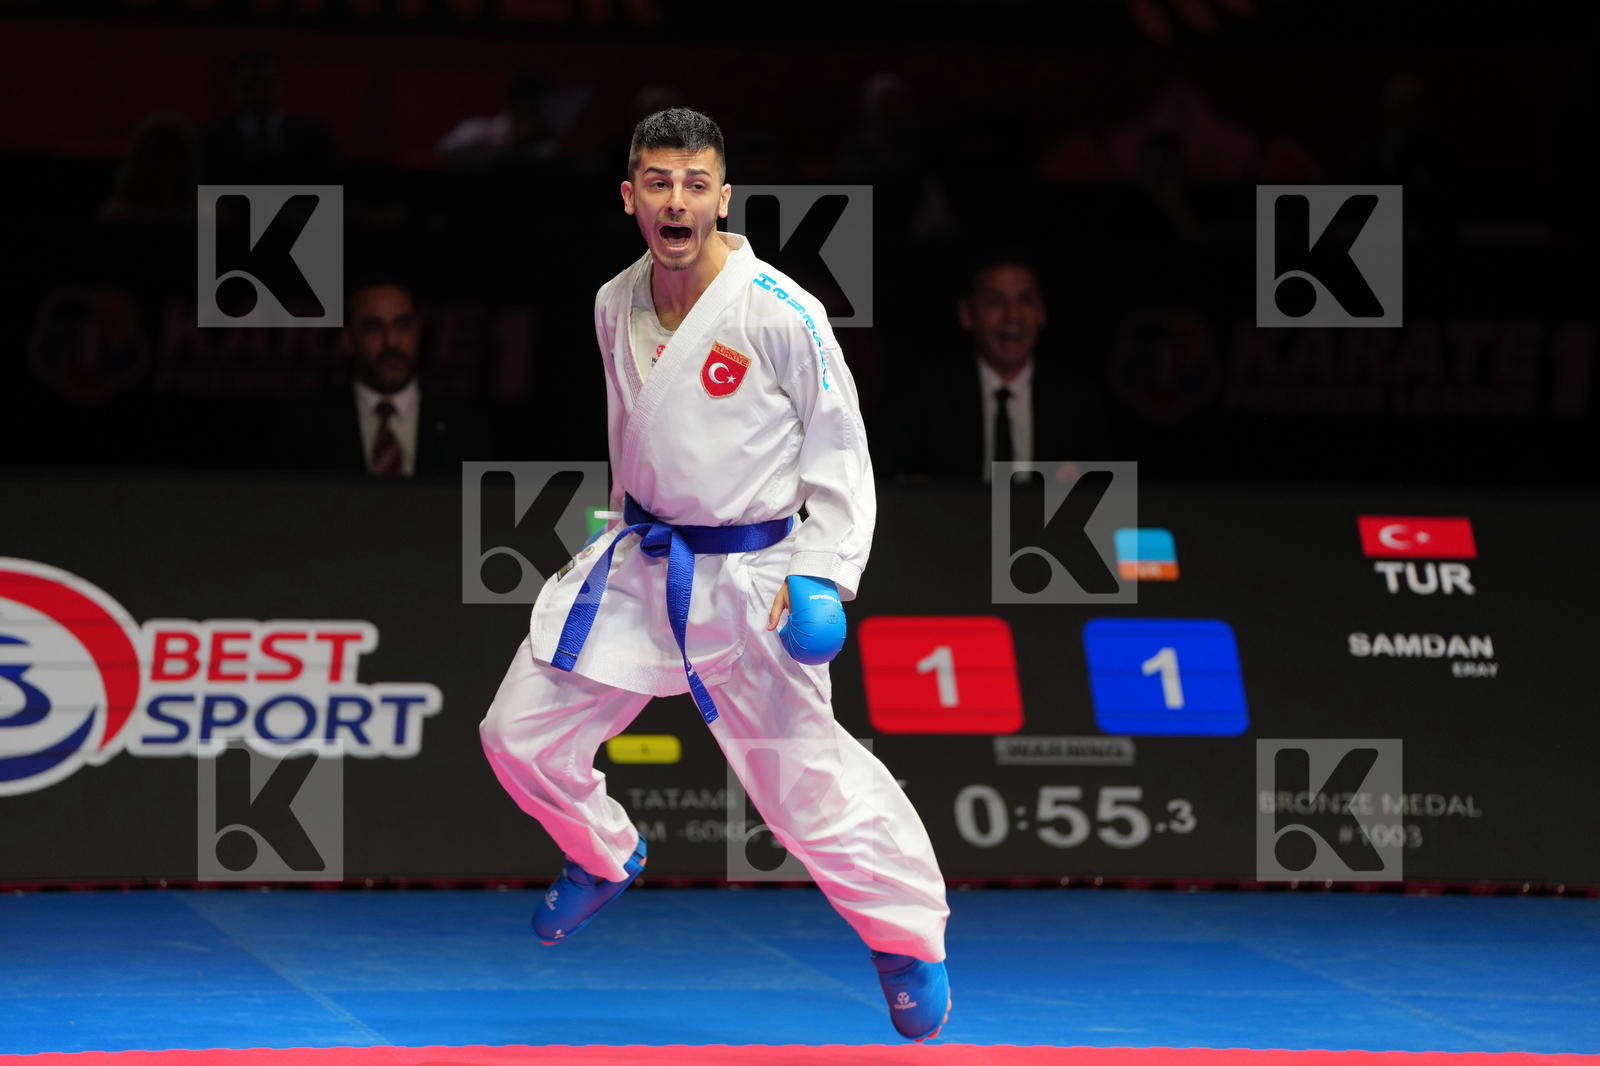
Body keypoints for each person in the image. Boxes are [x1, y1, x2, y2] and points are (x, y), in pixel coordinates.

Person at [477, 108, 951, 1042]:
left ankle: (906, 943)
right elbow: (641, 441)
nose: (677, 201)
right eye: (658, 183)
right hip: (643, 562)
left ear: (724, 198)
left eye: (695, 184)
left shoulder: (780, 309)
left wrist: (821, 574)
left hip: (752, 580)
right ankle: (602, 853)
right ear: (629, 197)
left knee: (804, 788)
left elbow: (841, 449)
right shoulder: (612, 301)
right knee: (515, 734)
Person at [896, 256, 1105, 480]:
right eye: (995, 301)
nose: (1013, 315)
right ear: (966, 314)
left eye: (1025, 300)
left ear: (1042, 311)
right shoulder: (928, 392)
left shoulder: (1078, 399)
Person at [276, 278, 490, 474]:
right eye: (374, 327)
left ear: (418, 331)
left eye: (403, 325)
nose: (391, 341)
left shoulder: (466, 430)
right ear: (347, 339)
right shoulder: (303, 428)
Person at [200, 50, 336, 186]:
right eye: (248, 85)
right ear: (233, 88)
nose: (257, 93)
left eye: (265, 84)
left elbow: (328, 182)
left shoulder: (312, 136)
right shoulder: (212, 138)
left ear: (280, 85)